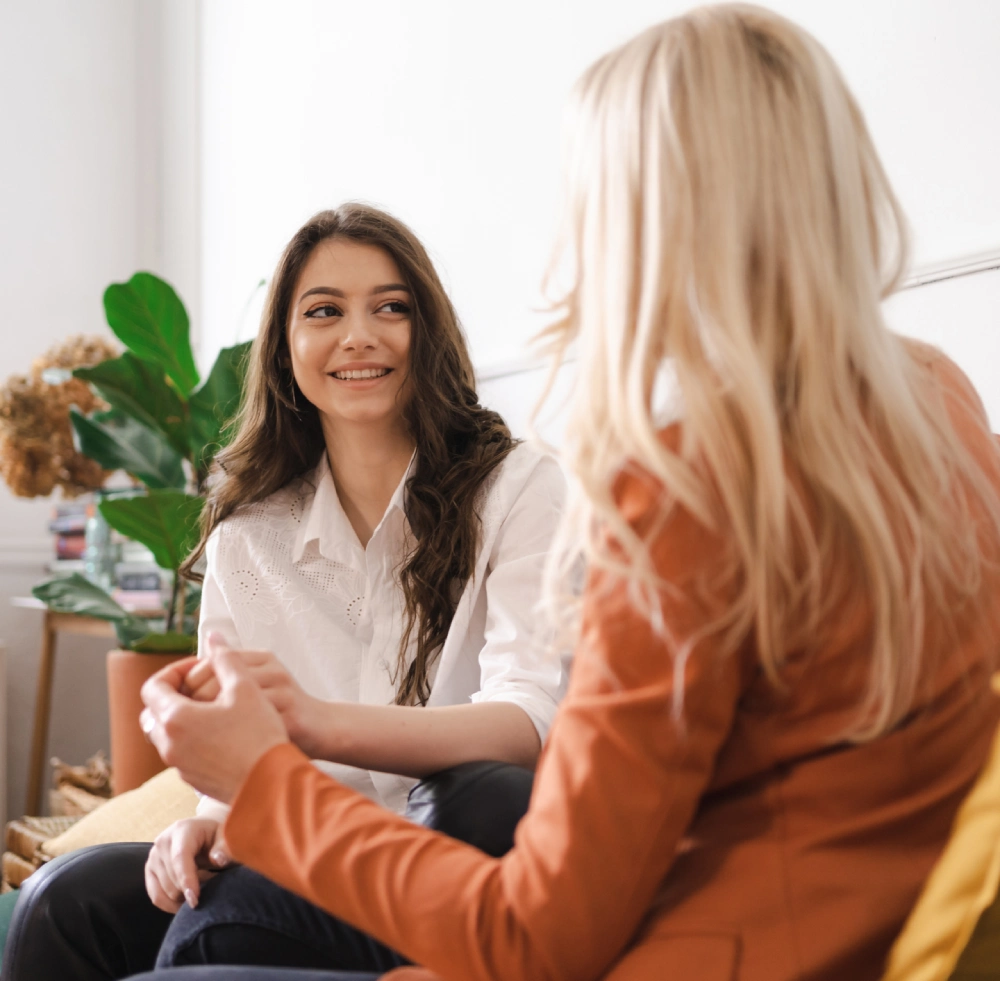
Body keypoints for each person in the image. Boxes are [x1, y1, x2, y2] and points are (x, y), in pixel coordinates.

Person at [120, 5, 1000, 981]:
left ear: (646, 218)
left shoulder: (682, 489)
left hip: (690, 948)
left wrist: (265, 780)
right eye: (322, 312)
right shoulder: (936, 397)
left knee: (204, 953)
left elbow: (531, 933)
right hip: (798, 925)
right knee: (117, 916)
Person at [0, 205, 565, 979]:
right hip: (293, 852)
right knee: (63, 900)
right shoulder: (250, 531)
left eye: (390, 307)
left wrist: (317, 725)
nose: (358, 334)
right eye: (324, 311)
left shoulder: (518, 488)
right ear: (287, 348)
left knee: (229, 917)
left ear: (427, 329)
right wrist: (205, 825)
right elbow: (224, 757)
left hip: (448, 863)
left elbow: (525, 721)